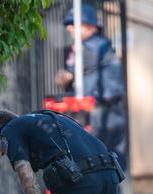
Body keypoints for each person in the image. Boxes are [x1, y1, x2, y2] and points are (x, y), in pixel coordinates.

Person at [55, 4, 128, 170]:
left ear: (89, 26)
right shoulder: (103, 46)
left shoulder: (89, 48)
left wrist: (66, 76)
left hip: (100, 113)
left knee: (95, 162)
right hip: (111, 113)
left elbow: (65, 76)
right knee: (112, 164)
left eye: (74, 24)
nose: (69, 29)